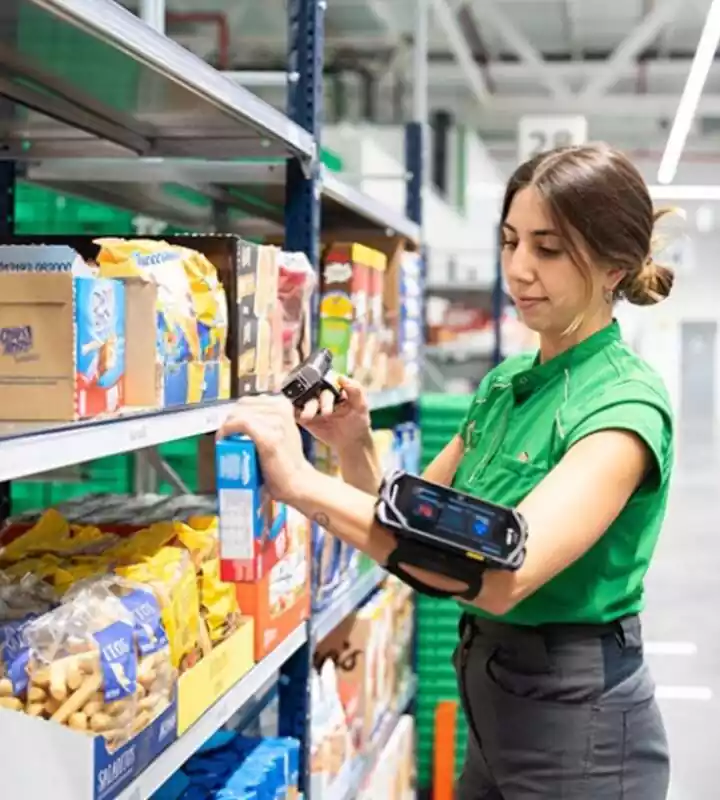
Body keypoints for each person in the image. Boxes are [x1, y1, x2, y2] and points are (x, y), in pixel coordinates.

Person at [219, 143, 677, 799]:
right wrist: (352, 445)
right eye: (511, 241)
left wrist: (300, 483)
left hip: (582, 730)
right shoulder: (504, 385)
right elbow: (417, 527)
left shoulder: (624, 408)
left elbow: (498, 574)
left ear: (615, 268)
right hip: (495, 708)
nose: (519, 269)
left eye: (549, 249)